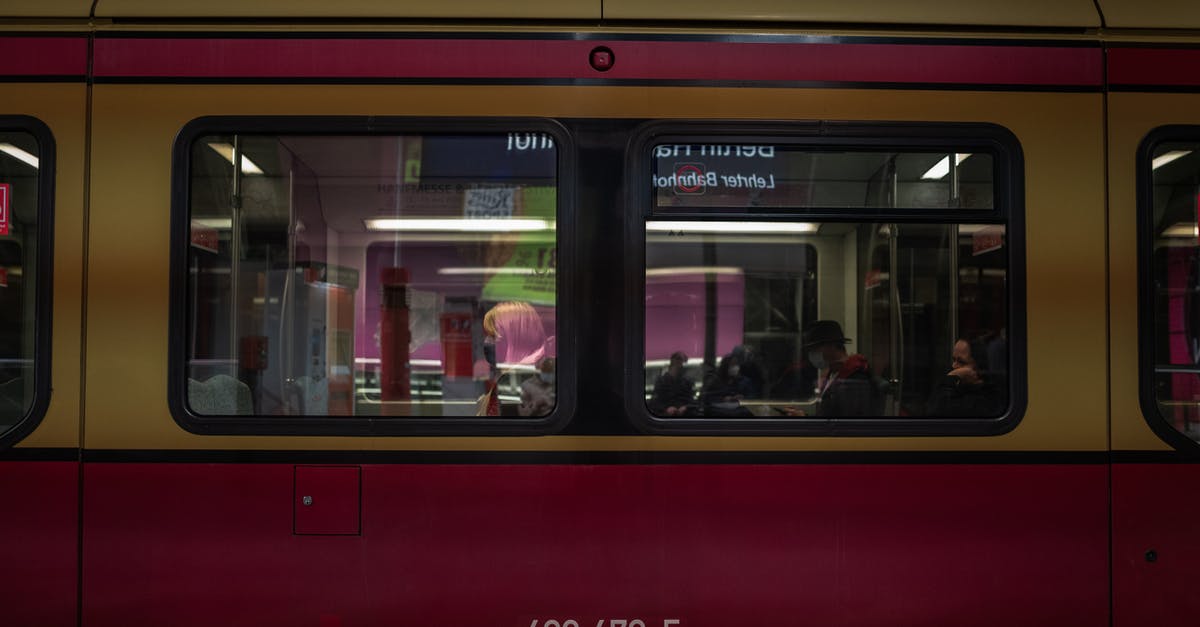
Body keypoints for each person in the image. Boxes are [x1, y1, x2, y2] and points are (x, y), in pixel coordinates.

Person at [801, 320, 882, 417]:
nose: (812, 354)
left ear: (831, 346)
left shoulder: (855, 379)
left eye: (815, 348)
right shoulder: (834, 374)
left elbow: (845, 423)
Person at [927, 338, 1003, 417]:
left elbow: (937, 410)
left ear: (978, 367)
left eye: (961, 362)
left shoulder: (985, 398)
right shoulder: (960, 387)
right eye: (954, 360)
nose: (954, 366)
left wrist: (952, 378)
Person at [700, 351, 754, 417]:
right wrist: (723, 399)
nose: (735, 367)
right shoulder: (715, 381)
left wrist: (743, 398)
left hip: (739, 414)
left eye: (737, 365)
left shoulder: (745, 381)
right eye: (732, 365)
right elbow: (706, 398)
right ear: (725, 366)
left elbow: (753, 398)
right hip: (719, 415)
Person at [650, 351, 697, 416]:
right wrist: (666, 408)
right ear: (672, 361)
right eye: (678, 359)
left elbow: (692, 400)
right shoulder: (661, 381)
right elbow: (655, 401)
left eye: (683, 361)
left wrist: (686, 407)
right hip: (665, 416)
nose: (680, 363)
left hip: (685, 415)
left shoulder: (687, 381)